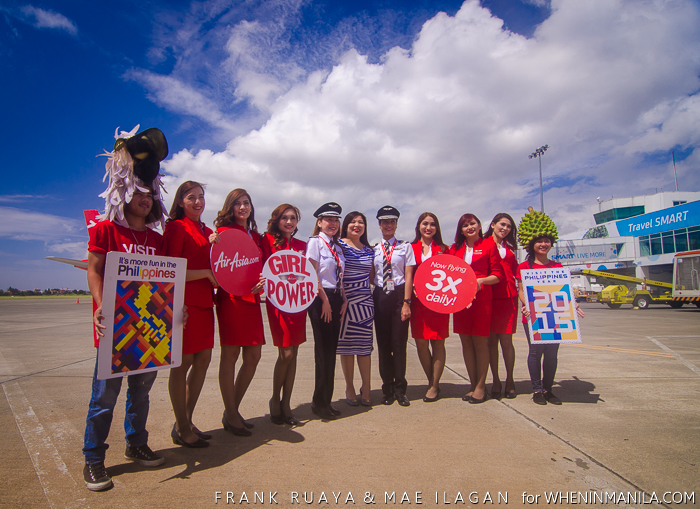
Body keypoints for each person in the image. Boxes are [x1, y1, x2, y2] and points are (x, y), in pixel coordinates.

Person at [83, 126, 168, 491]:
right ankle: (93, 459)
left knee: (142, 394)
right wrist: (100, 308)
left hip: (149, 333)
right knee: (104, 398)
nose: (146, 198)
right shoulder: (105, 231)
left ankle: (136, 443)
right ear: (124, 191)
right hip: (115, 330)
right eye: (138, 192)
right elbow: (94, 269)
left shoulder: (157, 239)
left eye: (150, 193)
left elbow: (166, 283)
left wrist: (170, 316)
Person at [163, 181, 216, 447]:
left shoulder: (207, 231)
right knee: (181, 365)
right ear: (180, 201)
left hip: (206, 303)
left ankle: (186, 420)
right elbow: (169, 269)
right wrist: (207, 274)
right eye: (191, 197)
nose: (198, 202)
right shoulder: (175, 227)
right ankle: (183, 428)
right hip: (183, 304)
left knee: (203, 361)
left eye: (201, 197)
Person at [516, 210, 585, 405]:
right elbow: (521, 290)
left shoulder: (557, 267)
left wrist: (573, 305)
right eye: (539, 241)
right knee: (535, 353)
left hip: (554, 316)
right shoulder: (524, 267)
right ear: (532, 244)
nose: (543, 244)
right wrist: (526, 305)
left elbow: (563, 292)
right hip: (532, 316)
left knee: (552, 354)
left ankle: (548, 389)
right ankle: (537, 390)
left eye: (547, 241)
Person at [213, 189, 265, 436]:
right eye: (238, 204)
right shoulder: (221, 234)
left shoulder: (255, 236)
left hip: (252, 300)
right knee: (230, 356)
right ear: (230, 208)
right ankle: (231, 413)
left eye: (246, 203)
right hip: (231, 300)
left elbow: (261, 267)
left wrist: (263, 281)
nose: (243, 207)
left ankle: (232, 409)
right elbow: (216, 268)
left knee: (254, 355)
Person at [449, 213, 503, 404]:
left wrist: (480, 280)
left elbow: (498, 275)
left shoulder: (489, 245)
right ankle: (472, 385)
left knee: (480, 342)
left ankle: (481, 386)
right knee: (466, 343)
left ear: (479, 226)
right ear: (461, 230)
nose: (469, 228)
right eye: (465, 225)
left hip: (482, 300)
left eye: (473, 224)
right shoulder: (454, 249)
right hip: (461, 301)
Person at [261, 204, 307, 426]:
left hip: (299, 304)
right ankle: (275, 399)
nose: (289, 222)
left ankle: (286, 404)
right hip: (278, 303)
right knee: (286, 354)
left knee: (294, 354)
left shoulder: (302, 245)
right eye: (285, 218)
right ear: (276, 220)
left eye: (293, 218)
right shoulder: (267, 241)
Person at [306, 202, 347, 420]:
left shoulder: (337, 246)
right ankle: (319, 403)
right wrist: (325, 301)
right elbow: (313, 274)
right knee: (323, 352)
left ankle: (326, 401)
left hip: (336, 297)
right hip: (321, 298)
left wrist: (344, 298)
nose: (332, 223)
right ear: (319, 222)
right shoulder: (315, 242)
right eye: (328, 219)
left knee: (331, 351)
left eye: (335, 220)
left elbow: (339, 275)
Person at [373, 206, 416, 407]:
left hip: (399, 295)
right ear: (379, 225)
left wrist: (407, 302)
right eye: (385, 222)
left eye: (392, 222)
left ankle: (400, 390)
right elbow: (371, 275)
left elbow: (408, 275)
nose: (388, 225)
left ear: (396, 224)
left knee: (399, 345)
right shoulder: (373, 248)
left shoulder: (406, 247)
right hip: (380, 295)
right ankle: (387, 389)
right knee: (383, 346)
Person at [410, 212, 449, 403]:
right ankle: (432, 380)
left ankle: (434, 386)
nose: (428, 227)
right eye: (425, 223)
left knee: (438, 342)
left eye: (432, 224)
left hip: (439, 303)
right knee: (421, 343)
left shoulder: (443, 249)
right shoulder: (410, 248)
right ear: (419, 226)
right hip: (418, 305)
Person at [337, 211, 375, 407]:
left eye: (361, 222)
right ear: (346, 225)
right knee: (346, 348)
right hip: (345, 302)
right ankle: (350, 386)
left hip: (365, 304)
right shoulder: (339, 246)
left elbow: (372, 277)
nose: (357, 225)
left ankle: (366, 387)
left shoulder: (370, 250)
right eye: (353, 222)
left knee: (364, 349)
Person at [484, 213, 519, 400]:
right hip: (490, 297)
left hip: (509, 299)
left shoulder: (510, 248)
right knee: (491, 343)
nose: (505, 228)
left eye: (508, 226)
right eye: (502, 224)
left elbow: (516, 273)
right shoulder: (483, 244)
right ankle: (496, 380)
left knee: (507, 342)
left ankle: (510, 379)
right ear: (492, 225)